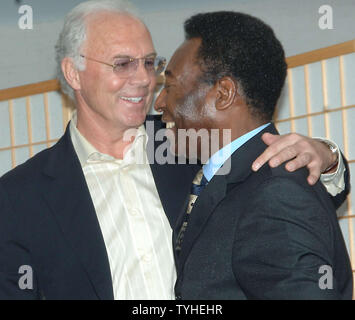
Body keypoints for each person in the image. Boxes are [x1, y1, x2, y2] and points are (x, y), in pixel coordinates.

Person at [0, 1, 349, 300]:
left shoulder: (191, 137)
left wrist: (327, 158)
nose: (144, 80)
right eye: (123, 64)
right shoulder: (19, 197)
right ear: (73, 73)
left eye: (150, 62)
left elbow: (283, 207)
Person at [154, 11, 352, 299]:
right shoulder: (239, 178)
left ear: (223, 93)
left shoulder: (276, 192)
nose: (159, 102)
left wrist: (330, 155)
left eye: (169, 86)